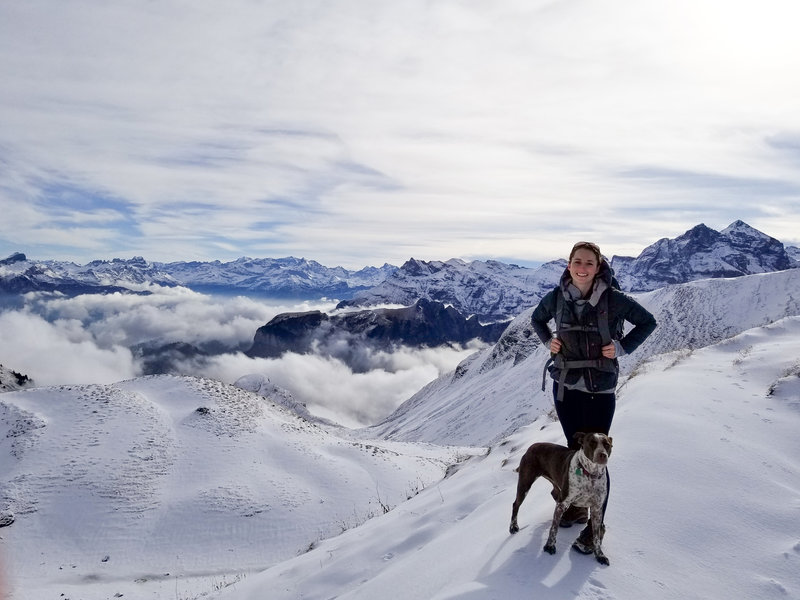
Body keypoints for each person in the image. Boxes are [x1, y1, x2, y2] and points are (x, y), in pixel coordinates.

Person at [531, 241, 656, 550]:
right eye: (578, 261)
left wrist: (623, 346)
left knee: (598, 457)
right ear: (569, 264)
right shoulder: (557, 297)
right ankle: (574, 508)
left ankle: (595, 530)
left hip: (600, 389)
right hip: (566, 389)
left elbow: (647, 322)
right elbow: (537, 319)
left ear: (598, 267)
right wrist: (549, 341)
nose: (583, 267)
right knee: (576, 451)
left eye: (589, 263)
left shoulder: (615, 299)